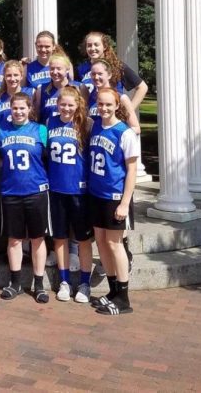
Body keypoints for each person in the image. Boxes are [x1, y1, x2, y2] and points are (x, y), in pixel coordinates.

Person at [0, 92, 51, 303]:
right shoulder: (1, 130)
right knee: (14, 239)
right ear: (10, 109)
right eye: (14, 108)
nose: (18, 112)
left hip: (36, 190)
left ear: (29, 109)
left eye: (22, 108)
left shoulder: (41, 130)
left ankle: (39, 283)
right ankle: (15, 282)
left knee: (37, 238)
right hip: (11, 191)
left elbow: (48, 159)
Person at [88, 87, 139, 315]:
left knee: (115, 244)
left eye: (109, 104)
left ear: (117, 105)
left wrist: (125, 202)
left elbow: (131, 169)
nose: (104, 108)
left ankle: (124, 298)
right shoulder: (95, 125)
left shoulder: (124, 133)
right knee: (101, 242)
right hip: (96, 194)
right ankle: (112, 291)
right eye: (101, 104)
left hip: (115, 196)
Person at [46, 86, 94, 303]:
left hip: (79, 190)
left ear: (78, 105)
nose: (66, 108)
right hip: (57, 189)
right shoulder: (50, 122)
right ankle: (64, 280)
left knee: (83, 239)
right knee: (60, 237)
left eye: (70, 105)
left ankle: (84, 282)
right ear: (57, 104)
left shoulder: (87, 124)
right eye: (62, 104)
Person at [77, 31, 148, 109]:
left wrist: (128, 111)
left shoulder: (117, 66)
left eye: (96, 45)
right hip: (92, 117)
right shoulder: (81, 68)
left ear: (104, 46)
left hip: (113, 116)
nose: (92, 48)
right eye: (89, 45)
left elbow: (142, 87)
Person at [83, 59, 141, 134]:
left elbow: (136, 128)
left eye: (100, 74)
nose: (96, 77)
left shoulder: (121, 98)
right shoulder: (90, 97)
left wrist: (117, 135)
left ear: (109, 75)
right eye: (93, 74)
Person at [0, 59, 34, 129]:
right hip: (3, 137)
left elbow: (36, 119)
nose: (12, 79)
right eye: (9, 75)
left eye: (16, 75)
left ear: (21, 76)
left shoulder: (31, 93)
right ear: (4, 77)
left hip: (26, 136)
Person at [34, 53, 72, 125]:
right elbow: (37, 116)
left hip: (71, 133)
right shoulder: (41, 90)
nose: (55, 72)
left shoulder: (77, 88)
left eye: (59, 69)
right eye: (52, 69)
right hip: (48, 133)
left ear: (67, 70)